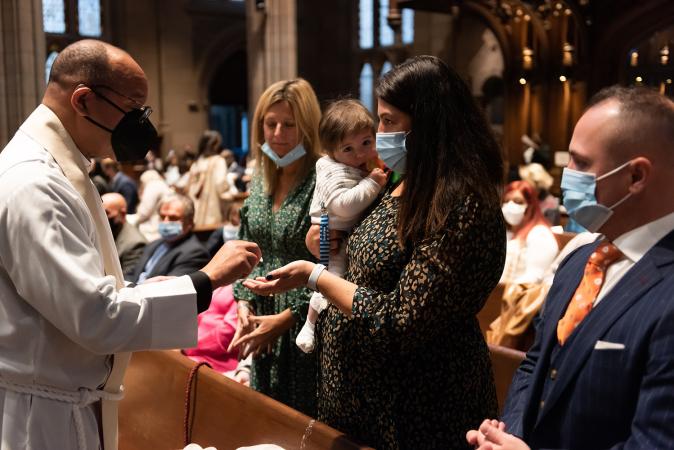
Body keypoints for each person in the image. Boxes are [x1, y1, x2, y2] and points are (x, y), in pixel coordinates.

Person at [0, 39, 261, 450]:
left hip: (63, 400)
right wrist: (206, 280)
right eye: (134, 107)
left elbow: (96, 293)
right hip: (45, 420)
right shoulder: (38, 184)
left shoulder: (59, 167)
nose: (141, 122)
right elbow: (96, 315)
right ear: (84, 101)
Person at [242, 56, 505, 449]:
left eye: (388, 121)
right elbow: (370, 258)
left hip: (414, 408)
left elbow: (402, 320)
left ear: (429, 125)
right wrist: (326, 241)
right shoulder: (402, 183)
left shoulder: (461, 203)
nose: (378, 134)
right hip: (359, 404)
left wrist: (316, 277)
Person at [467, 86, 674, 449]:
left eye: (580, 162)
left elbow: (655, 440)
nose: (566, 175)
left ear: (636, 177)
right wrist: (509, 435)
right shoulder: (582, 258)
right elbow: (537, 362)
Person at [227, 78, 322, 416]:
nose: (278, 133)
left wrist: (286, 318)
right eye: (271, 123)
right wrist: (243, 303)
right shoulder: (262, 178)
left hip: (307, 326)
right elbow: (245, 247)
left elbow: (335, 268)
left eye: (289, 125)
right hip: (263, 323)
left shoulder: (322, 181)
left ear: (307, 128)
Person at [295, 99, 387, 353]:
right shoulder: (334, 171)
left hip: (340, 234)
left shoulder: (356, 165)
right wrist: (373, 184)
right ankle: (309, 325)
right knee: (330, 279)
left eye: (366, 143)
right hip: (333, 233)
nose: (359, 154)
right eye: (348, 149)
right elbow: (343, 205)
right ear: (331, 152)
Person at [130, 194, 210, 283]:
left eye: (173, 218)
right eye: (162, 216)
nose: (165, 222)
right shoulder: (153, 244)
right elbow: (131, 274)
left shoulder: (195, 253)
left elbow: (169, 289)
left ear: (189, 222)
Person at [500, 180, 559, 284]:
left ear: (530, 205)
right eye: (506, 201)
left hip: (518, 295)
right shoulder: (508, 233)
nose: (510, 206)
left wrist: (503, 291)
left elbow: (534, 276)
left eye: (518, 201)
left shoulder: (540, 234)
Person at [187, 130, 230, 227]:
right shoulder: (218, 161)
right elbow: (220, 184)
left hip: (195, 213)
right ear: (214, 145)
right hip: (211, 211)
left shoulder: (196, 163)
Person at [102, 192, 147, 276]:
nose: (102, 216)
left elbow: (127, 277)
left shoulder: (135, 243)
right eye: (100, 212)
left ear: (122, 213)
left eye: (106, 213)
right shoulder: (108, 231)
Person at [134, 168, 172, 241]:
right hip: (161, 225)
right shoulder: (162, 184)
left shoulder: (153, 186)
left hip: (153, 229)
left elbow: (143, 213)